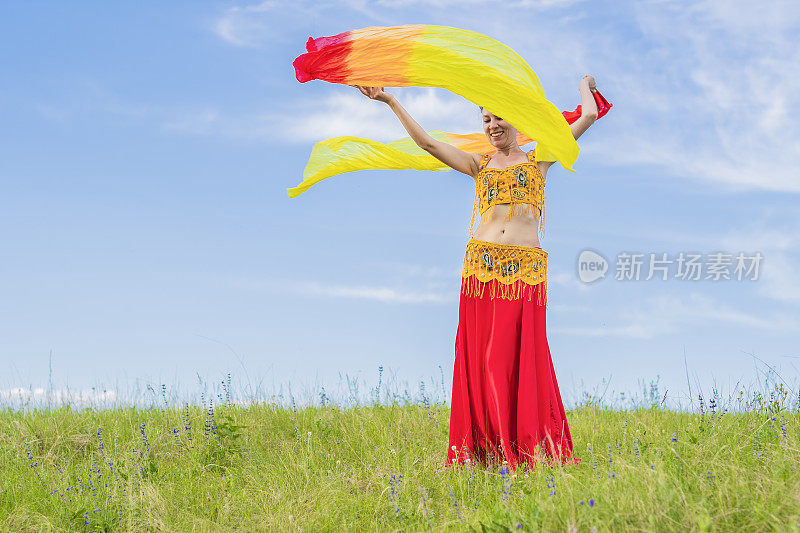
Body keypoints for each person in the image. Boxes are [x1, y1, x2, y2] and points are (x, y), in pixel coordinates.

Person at [354, 75, 600, 471]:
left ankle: (525, 451)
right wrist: (390, 101)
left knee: (517, 360)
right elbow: (427, 144)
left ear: (517, 122)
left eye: (499, 118)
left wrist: (585, 85)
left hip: (525, 272)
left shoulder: (541, 159)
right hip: (480, 269)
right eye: (486, 120)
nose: (492, 126)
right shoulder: (477, 164)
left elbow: (589, 114)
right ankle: (488, 454)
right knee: (484, 361)